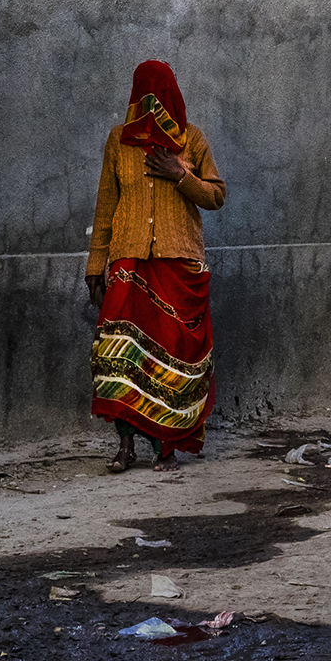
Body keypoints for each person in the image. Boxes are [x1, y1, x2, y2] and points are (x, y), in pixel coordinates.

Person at [84, 60, 226, 473]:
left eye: (159, 92)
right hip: (128, 264)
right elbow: (106, 205)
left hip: (177, 265)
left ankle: (166, 448)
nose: (152, 102)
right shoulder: (118, 142)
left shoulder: (192, 140)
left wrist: (179, 172)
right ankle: (125, 447)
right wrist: (96, 265)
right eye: (143, 92)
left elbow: (217, 196)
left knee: (172, 359)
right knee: (120, 357)